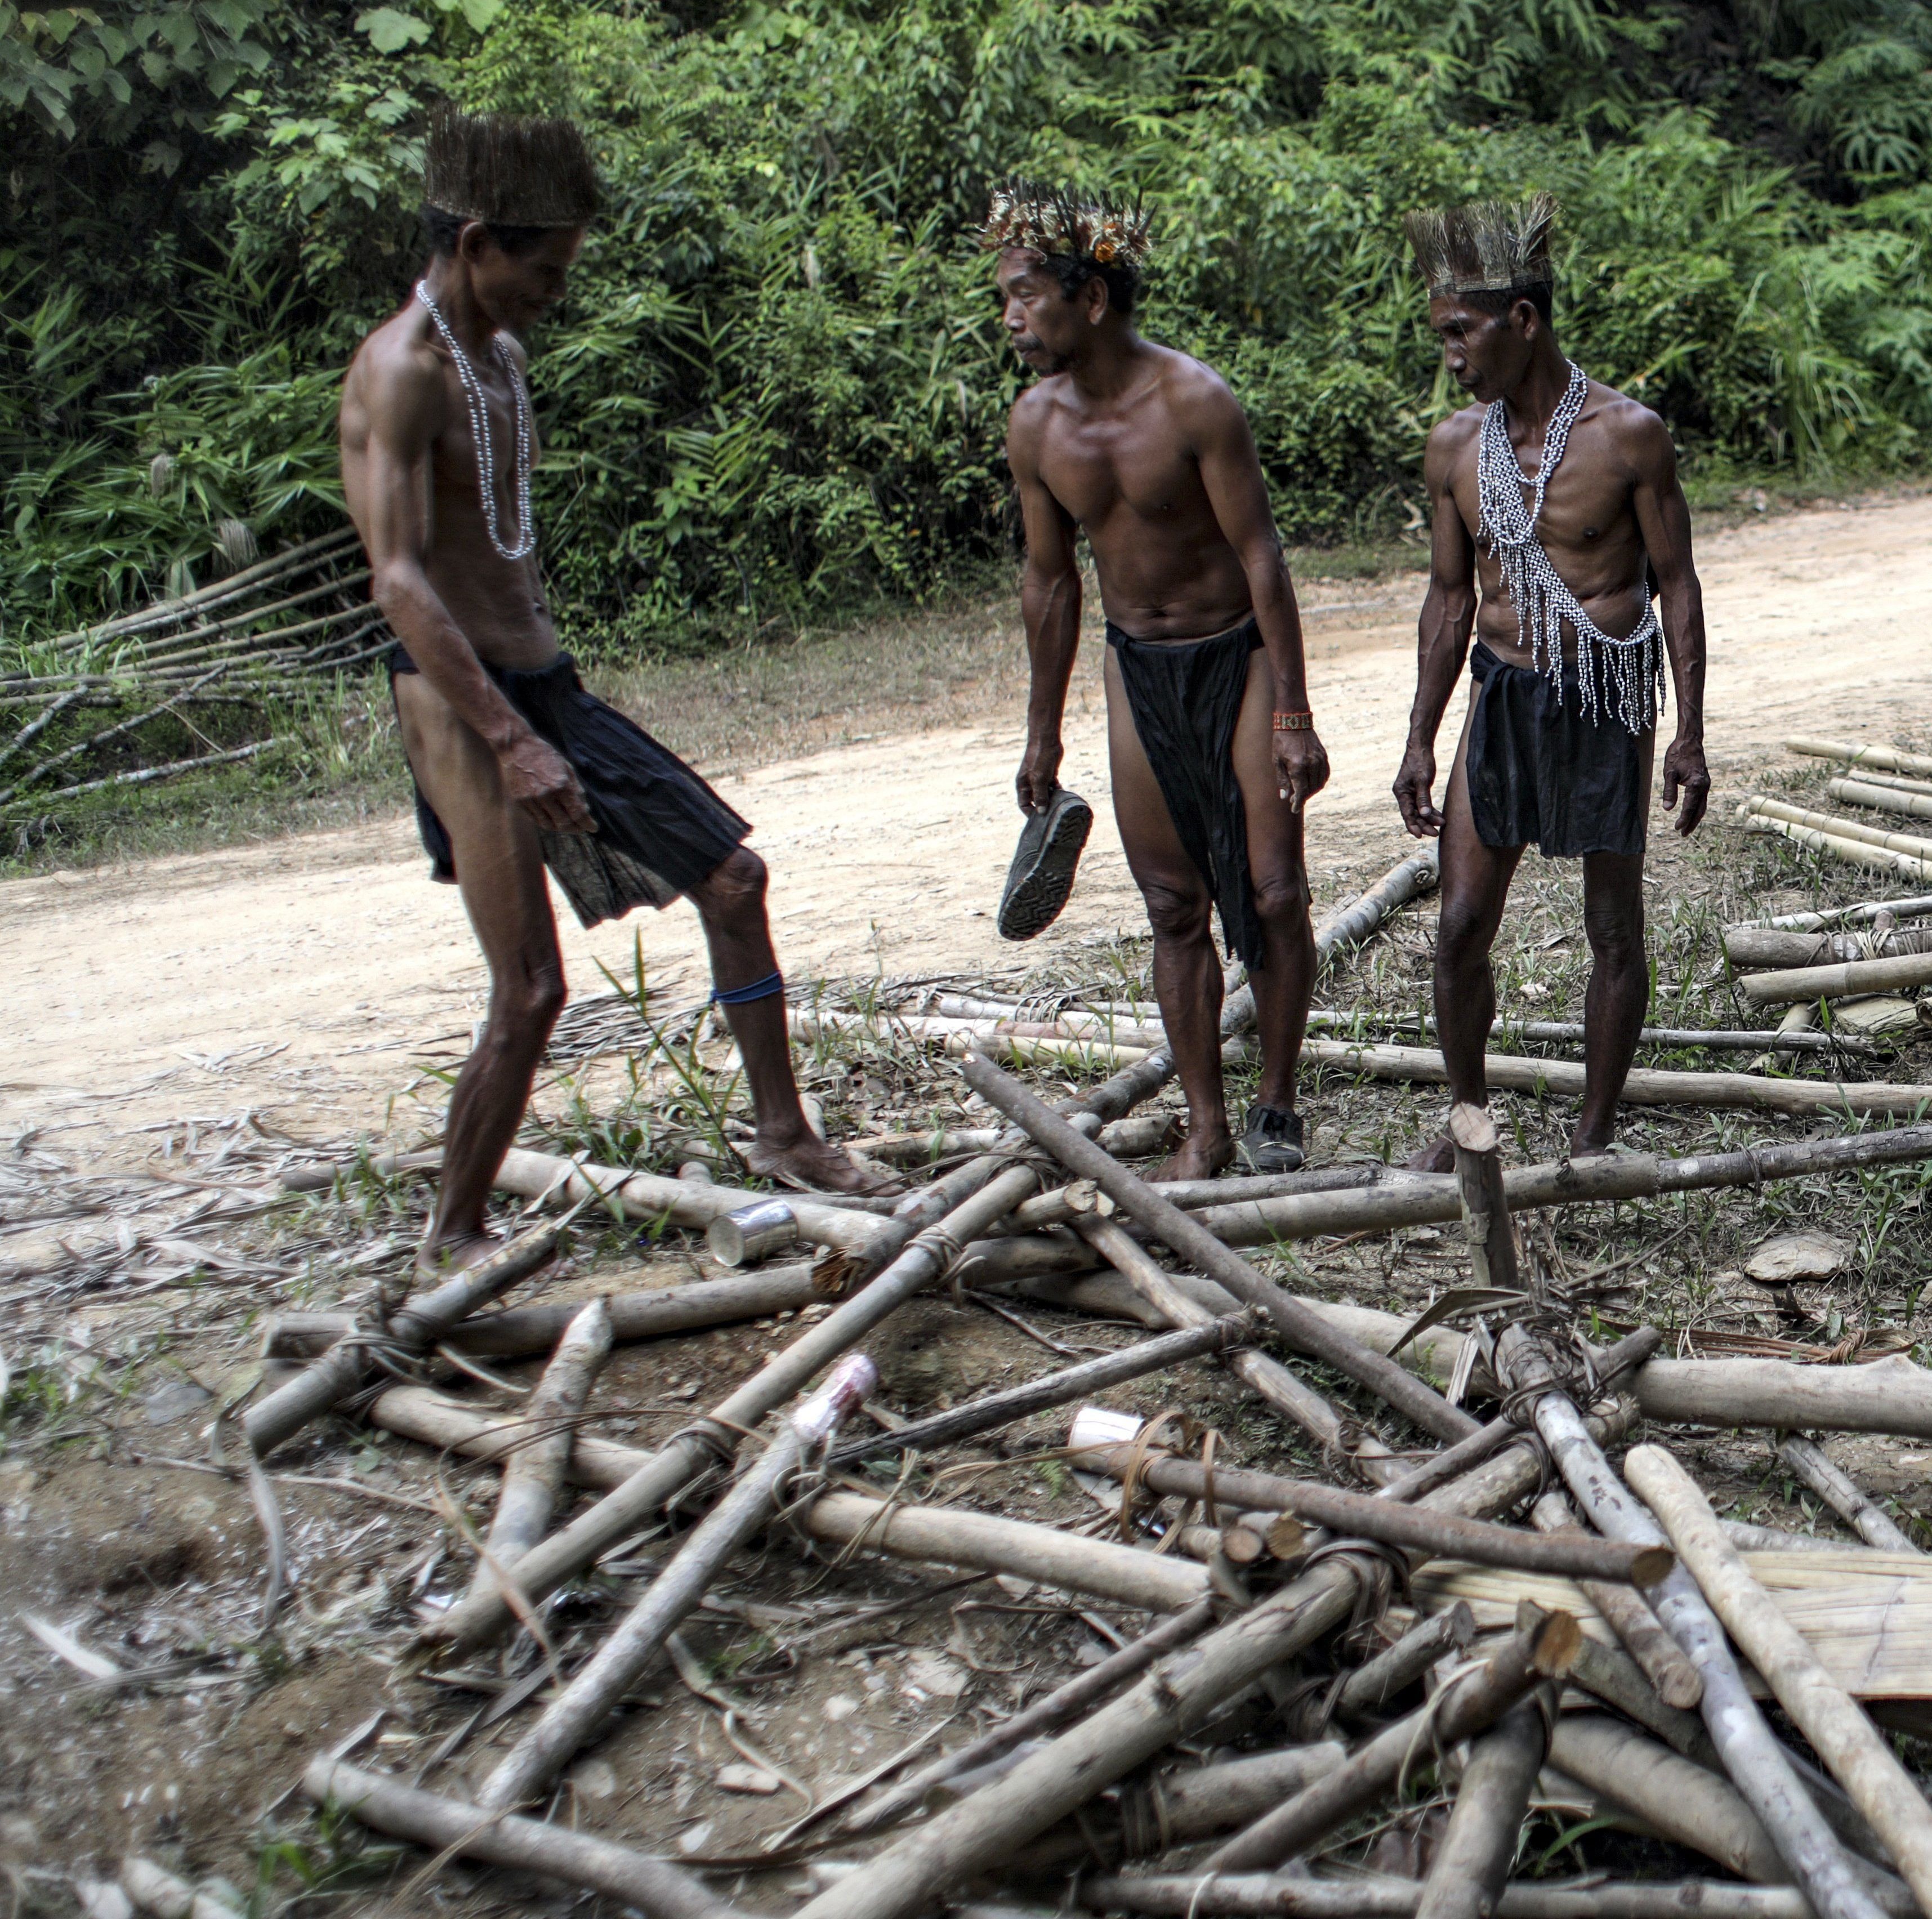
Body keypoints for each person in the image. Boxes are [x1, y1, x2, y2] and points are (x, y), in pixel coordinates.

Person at [338, 113, 889, 1273]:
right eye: (542, 271)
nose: (553, 293)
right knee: (531, 988)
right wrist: (510, 740)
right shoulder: (403, 371)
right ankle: (453, 1233)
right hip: (459, 705)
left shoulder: (502, 356)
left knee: (734, 878)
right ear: (479, 241)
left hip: (543, 686)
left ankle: (785, 1135)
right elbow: (398, 580)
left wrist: (547, 717)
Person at [989, 184, 1328, 1178]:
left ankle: (1275, 1106)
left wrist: (1295, 716)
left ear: (1089, 298)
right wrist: (1042, 733)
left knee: (1271, 891)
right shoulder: (1035, 425)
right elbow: (1050, 580)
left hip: (1241, 655)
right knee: (1173, 907)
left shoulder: (1194, 401)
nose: (1010, 317)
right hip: (1139, 668)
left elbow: (1262, 558)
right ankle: (1207, 1126)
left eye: (1024, 296)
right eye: (1003, 299)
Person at [1391, 197, 1710, 1170]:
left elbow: (1677, 586)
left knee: (1613, 926)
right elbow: (1449, 600)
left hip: (1604, 697)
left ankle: (1593, 1135)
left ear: (1522, 321)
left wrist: (1689, 731)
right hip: (1502, 694)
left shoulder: (1627, 436)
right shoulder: (1456, 448)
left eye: (1462, 331)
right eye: (1440, 333)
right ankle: (1466, 1119)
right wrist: (1419, 736)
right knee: (1457, 927)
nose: (1451, 353)